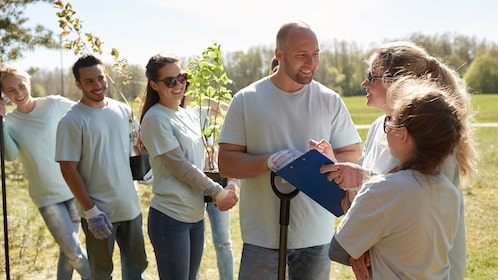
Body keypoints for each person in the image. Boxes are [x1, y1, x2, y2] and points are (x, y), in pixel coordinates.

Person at [319, 41, 477, 279]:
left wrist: (362, 178)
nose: (364, 84)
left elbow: (423, 196)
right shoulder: (377, 127)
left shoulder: (430, 136)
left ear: (398, 81)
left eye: (372, 76)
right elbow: (373, 194)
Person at [218, 21, 362, 280]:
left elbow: (351, 153)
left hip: (315, 235)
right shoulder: (246, 100)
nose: (311, 62)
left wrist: (332, 161)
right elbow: (226, 162)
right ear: (279, 54)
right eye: (301, 55)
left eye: (315, 54)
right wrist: (268, 161)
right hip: (262, 236)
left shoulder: (329, 100)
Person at [138, 54, 238, 280]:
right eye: (170, 81)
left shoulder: (186, 114)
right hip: (170, 218)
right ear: (154, 85)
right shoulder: (155, 119)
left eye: (182, 78)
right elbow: (180, 166)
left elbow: (199, 162)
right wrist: (218, 191)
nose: (179, 85)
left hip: (195, 216)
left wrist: (224, 184)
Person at [55, 54, 148, 279]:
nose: (97, 85)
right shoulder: (72, 121)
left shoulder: (123, 111)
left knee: (137, 268)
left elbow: (134, 148)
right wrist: (90, 210)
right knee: (101, 272)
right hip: (99, 213)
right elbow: (68, 169)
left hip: (130, 207)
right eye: (89, 81)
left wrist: (146, 169)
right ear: (78, 84)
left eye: (101, 78)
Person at [0, 67, 91, 280]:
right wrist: (1, 121)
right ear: (4, 94)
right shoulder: (10, 122)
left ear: (28, 83)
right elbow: (10, 155)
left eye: (21, 86)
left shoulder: (54, 104)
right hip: (47, 197)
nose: (18, 93)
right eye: (11, 90)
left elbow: (85, 115)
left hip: (74, 188)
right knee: (74, 253)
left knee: (68, 251)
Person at [181, 95, 236, 280]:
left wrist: (202, 95)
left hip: (216, 180)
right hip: (194, 184)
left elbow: (226, 109)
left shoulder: (199, 113)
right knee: (195, 243)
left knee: (223, 242)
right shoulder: (181, 118)